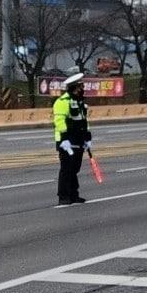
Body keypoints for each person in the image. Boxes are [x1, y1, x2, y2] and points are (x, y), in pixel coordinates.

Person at [53, 73, 92, 205]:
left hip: (78, 140)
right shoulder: (62, 101)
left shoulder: (80, 102)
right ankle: (63, 196)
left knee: (75, 169)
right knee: (66, 169)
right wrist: (64, 139)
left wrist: (87, 138)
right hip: (66, 142)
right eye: (81, 86)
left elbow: (84, 121)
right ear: (75, 87)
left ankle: (74, 194)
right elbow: (59, 121)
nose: (83, 89)